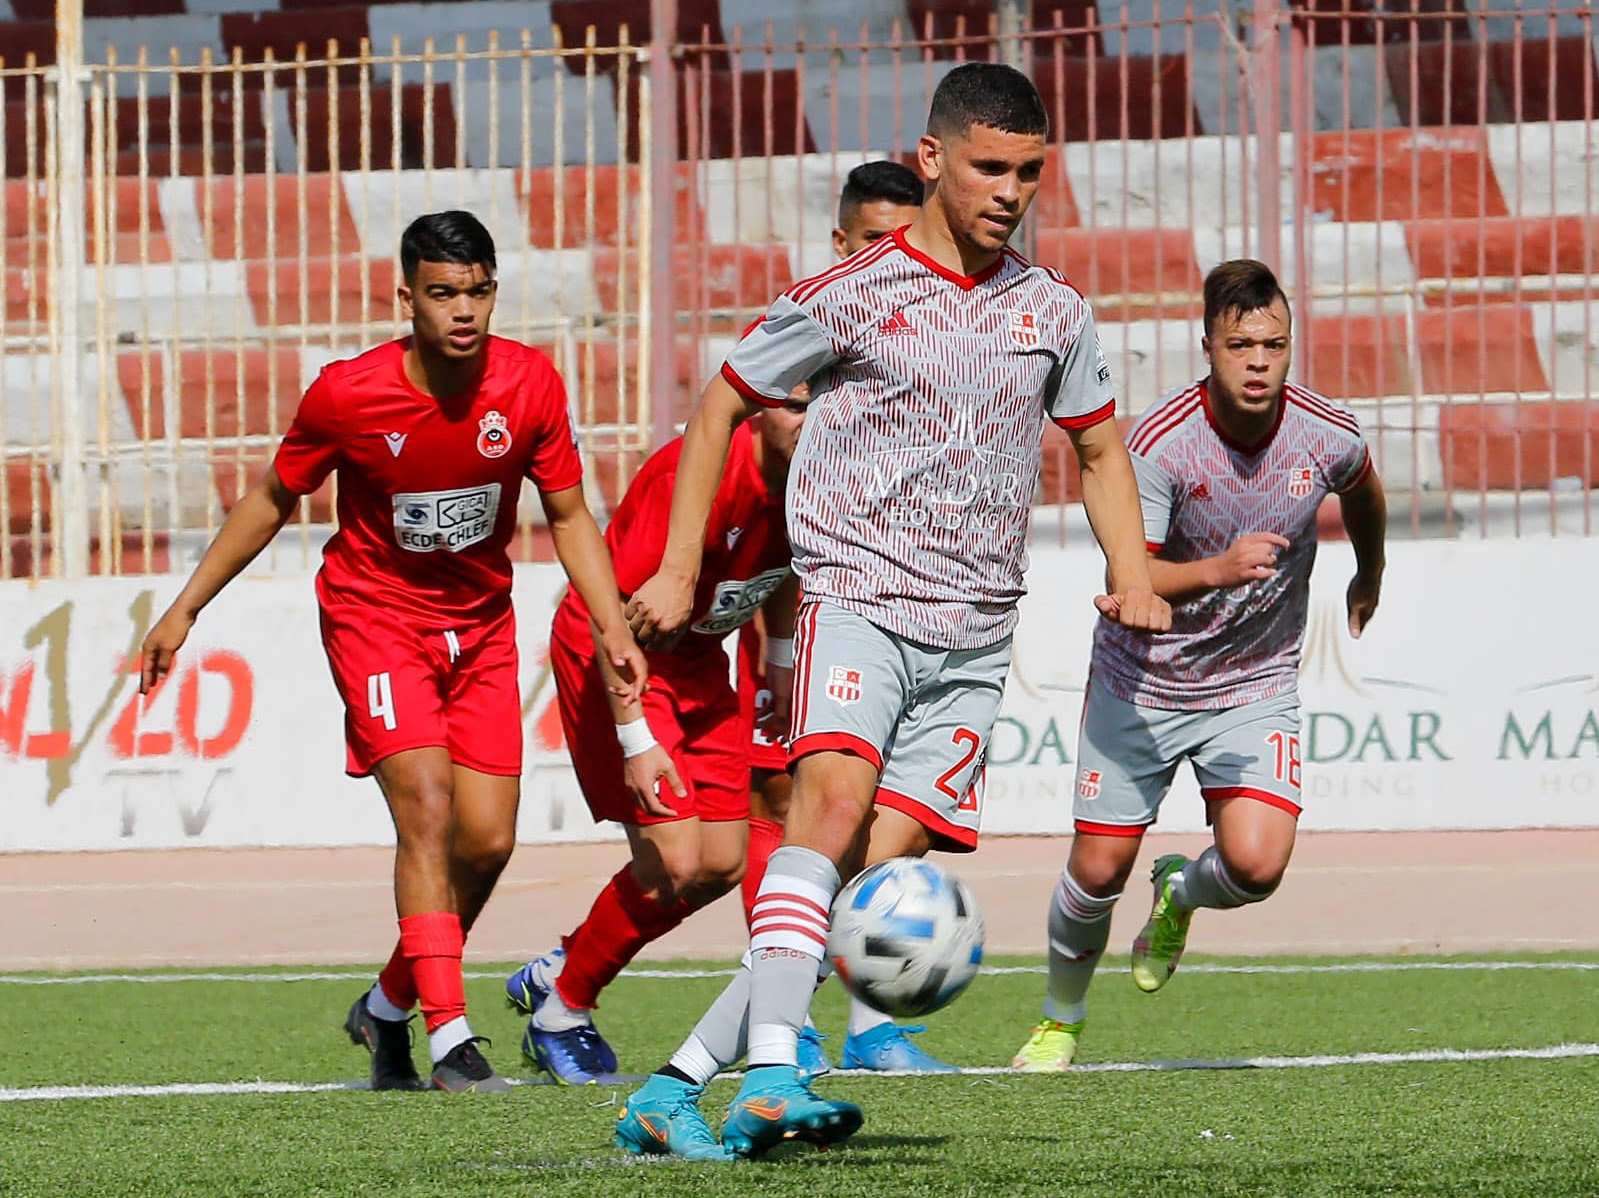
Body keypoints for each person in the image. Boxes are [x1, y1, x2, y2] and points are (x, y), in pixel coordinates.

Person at [614, 62, 1170, 1161]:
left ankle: (675, 1085)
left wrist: (1136, 570)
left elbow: (1100, 445)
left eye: (1029, 172)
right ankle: (777, 1069)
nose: (1010, 191)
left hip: (976, 633)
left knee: (861, 879)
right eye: (988, 168)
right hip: (858, 598)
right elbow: (727, 397)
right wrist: (680, 567)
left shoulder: (1052, 311)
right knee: (825, 812)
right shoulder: (853, 292)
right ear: (932, 160)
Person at [138, 210, 645, 1093]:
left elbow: (568, 515)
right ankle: (449, 1038)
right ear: (405, 296)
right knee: (427, 804)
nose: (464, 312)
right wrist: (184, 609)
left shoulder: (527, 384)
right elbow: (269, 499)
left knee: (486, 845)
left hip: (481, 628)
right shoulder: (348, 394)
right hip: (375, 619)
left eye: (479, 292)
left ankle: (384, 1008)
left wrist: (612, 629)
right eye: (444, 294)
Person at [1011, 258, 1387, 1072]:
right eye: (1240, 344)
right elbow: (1131, 574)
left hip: (1252, 685)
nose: (1258, 361)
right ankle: (1059, 1018)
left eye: (1274, 345)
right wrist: (1215, 568)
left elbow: (1361, 488)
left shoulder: (1325, 431)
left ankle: (1179, 892)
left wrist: (1370, 572)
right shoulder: (1160, 444)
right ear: (1208, 345)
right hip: (1141, 684)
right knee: (1097, 868)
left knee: (1256, 865)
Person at [734, 158, 962, 1077]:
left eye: (905, 238)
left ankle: (860, 1024)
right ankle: (782, 1031)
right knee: (808, 821)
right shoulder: (816, 331)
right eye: (873, 240)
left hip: (921, 611)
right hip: (830, 620)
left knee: (874, 830)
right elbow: (765, 509)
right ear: (840, 244)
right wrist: (778, 654)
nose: (892, 258)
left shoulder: (945, 342)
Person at [502, 395, 804, 1085]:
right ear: (757, 410)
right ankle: (561, 1014)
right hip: (617, 655)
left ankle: (565, 964)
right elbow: (614, 616)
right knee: (673, 861)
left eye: (820, 405)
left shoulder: (815, 472)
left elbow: (783, 569)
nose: (807, 421)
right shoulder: (692, 479)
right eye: (791, 406)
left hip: (697, 663)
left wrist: (781, 664)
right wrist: (635, 735)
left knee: (722, 863)